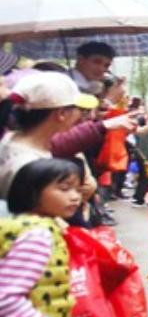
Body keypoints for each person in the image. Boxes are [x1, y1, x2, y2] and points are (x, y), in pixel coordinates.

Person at [0, 158, 82, 317]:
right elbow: (6, 297)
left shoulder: (27, 225)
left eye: (77, 188)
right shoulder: (37, 235)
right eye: (64, 189)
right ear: (32, 192)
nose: (75, 196)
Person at [0, 72, 100, 212]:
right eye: (79, 110)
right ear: (61, 114)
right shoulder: (27, 162)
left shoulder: (13, 140)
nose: (82, 116)